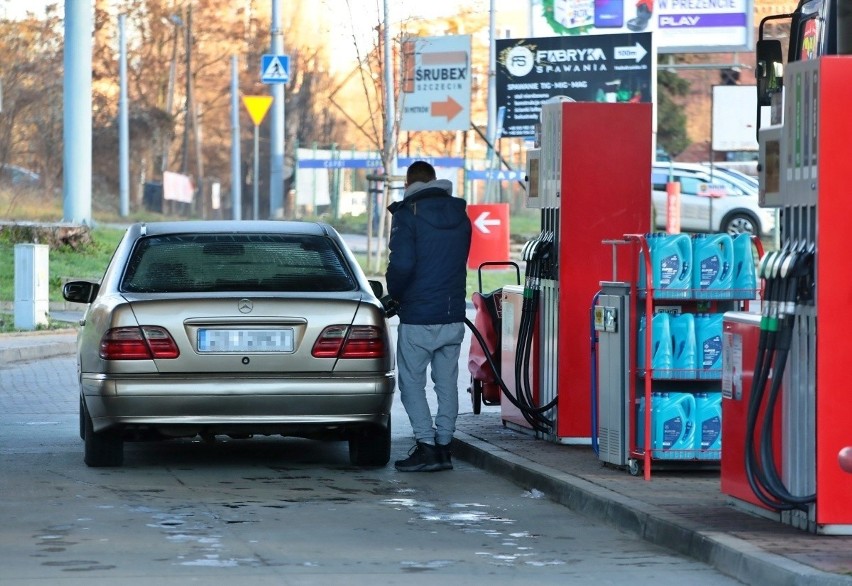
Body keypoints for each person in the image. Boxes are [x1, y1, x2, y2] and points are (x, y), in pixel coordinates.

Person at [385, 160, 472, 472]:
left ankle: (426, 447)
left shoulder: (408, 215)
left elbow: (402, 265)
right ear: (435, 182)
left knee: (411, 384)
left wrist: (394, 294)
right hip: (452, 314)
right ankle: (445, 447)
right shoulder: (461, 214)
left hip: (419, 315)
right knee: (447, 383)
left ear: (409, 185)